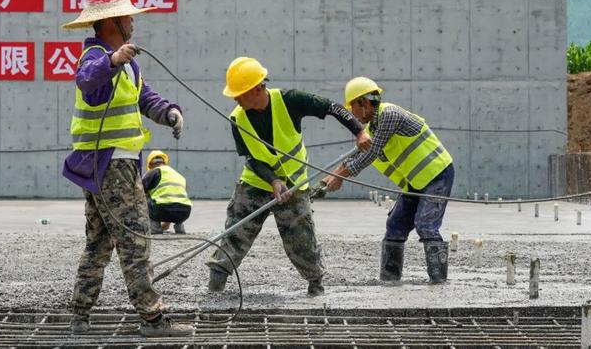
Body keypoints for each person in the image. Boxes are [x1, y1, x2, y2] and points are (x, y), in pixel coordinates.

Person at [61, 0, 193, 337]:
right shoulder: (95, 56)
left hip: (102, 167)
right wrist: (111, 60)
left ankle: (80, 316)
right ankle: (152, 319)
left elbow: (142, 96)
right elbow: (87, 80)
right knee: (135, 241)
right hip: (112, 166)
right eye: (128, 17)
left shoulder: (126, 65)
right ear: (113, 20)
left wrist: (168, 112)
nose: (133, 23)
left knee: (99, 243)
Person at [205, 57, 372, 296]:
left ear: (257, 89)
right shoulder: (237, 118)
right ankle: (215, 286)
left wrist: (359, 131)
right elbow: (252, 159)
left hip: (294, 184)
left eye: (239, 93)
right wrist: (273, 181)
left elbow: (332, 107)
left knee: (302, 238)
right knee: (236, 233)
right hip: (255, 182)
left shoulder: (289, 100)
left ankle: (316, 285)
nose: (235, 99)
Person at [323, 77, 454, 284]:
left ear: (363, 103)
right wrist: (333, 175)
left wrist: (340, 177)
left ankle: (439, 283)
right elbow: (357, 154)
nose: (352, 115)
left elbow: (371, 152)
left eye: (352, 108)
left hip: (437, 173)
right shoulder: (371, 129)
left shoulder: (389, 115)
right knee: (396, 225)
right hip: (416, 180)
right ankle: (389, 280)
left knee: (426, 224)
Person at [142, 150, 193, 235]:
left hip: (162, 210)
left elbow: (139, 191)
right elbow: (172, 198)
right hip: (185, 212)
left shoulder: (154, 172)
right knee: (177, 200)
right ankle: (179, 227)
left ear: (151, 164)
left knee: (143, 197)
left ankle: (155, 228)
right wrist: (168, 221)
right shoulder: (178, 175)